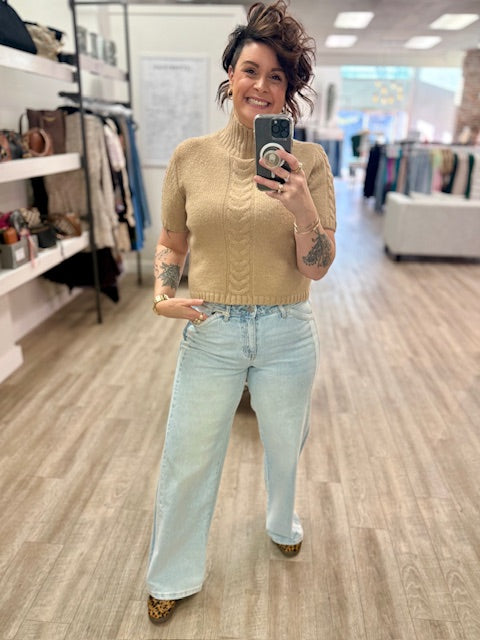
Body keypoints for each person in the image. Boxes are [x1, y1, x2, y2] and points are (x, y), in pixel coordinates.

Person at [146, 0, 336, 624]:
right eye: (251, 70)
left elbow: (317, 266)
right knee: (188, 456)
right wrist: (162, 293)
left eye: (277, 76)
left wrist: (301, 207)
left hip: (287, 331)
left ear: (288, 90)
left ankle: (282, 520)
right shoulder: (189, 156)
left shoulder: (310, 162)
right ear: (230, 74)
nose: (261, 85)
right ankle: (171, 574)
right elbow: (172, 239)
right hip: (211, 329)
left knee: (285, 445)